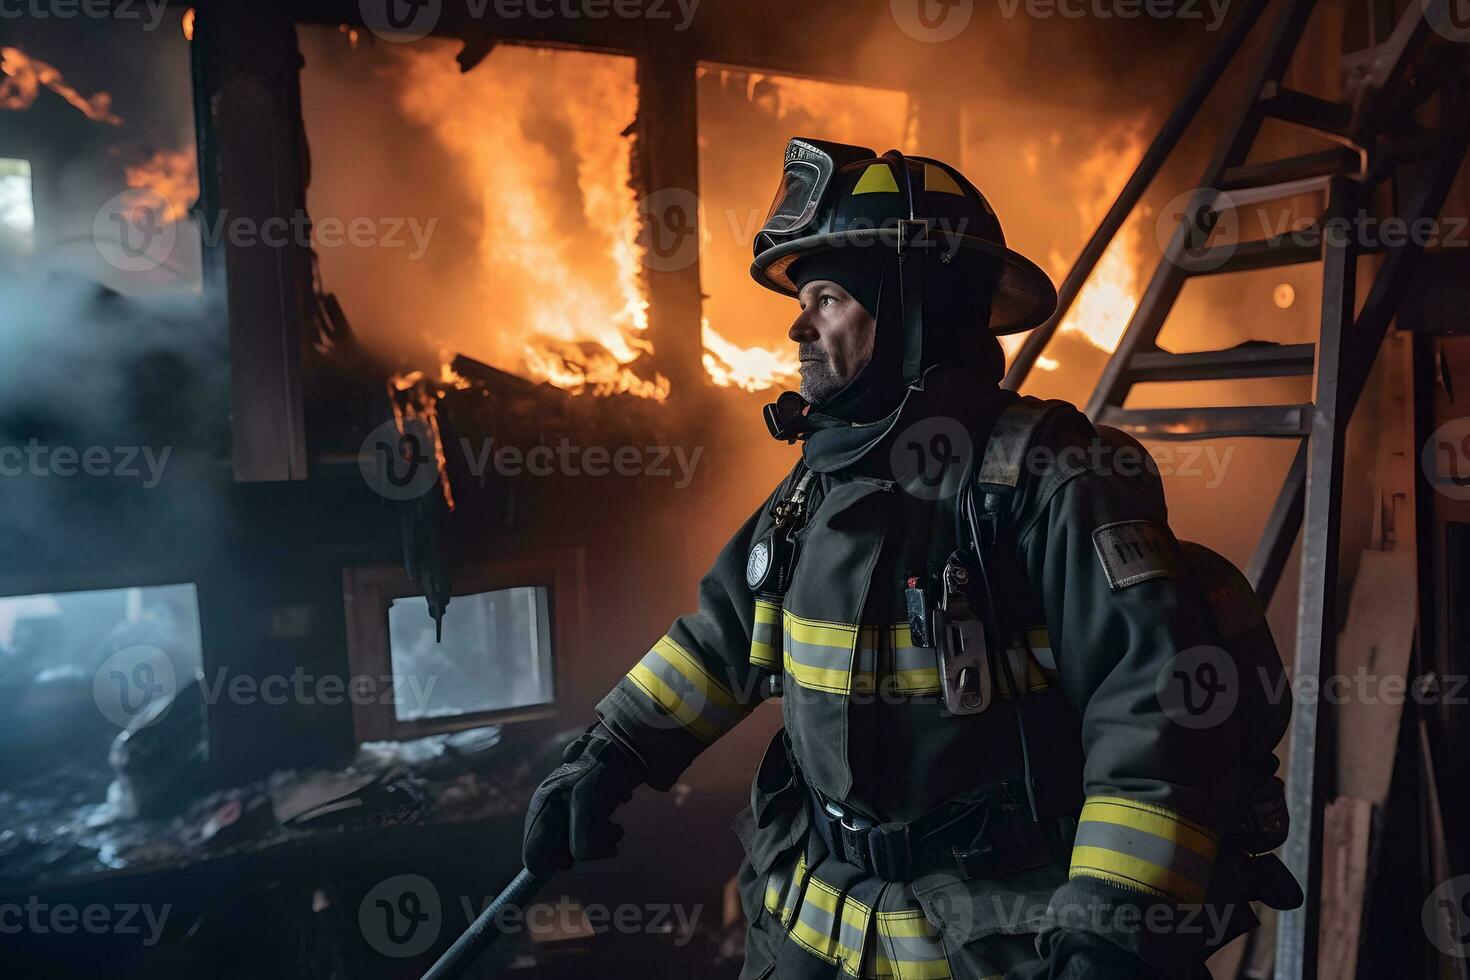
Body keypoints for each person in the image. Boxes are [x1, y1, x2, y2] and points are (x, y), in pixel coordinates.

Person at [522, 138, 1296, 979]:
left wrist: (1112, 935)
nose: (797, 324)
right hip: (816, 926)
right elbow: (720, 638)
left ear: (910, 307)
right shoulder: (817, 485)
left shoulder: (1051, 483)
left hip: (1005, 947)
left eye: (825, 297)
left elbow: (1155, 720)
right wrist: (613, 752)